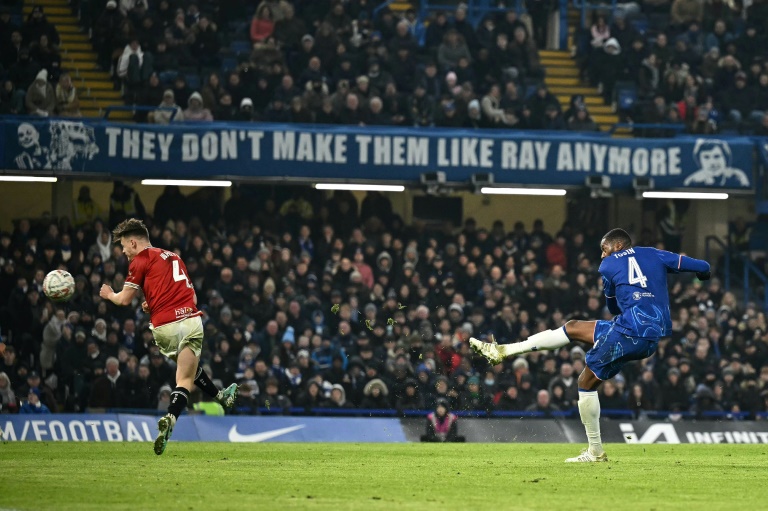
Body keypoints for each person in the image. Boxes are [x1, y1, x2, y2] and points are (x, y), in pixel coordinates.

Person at [471, 228, 710, 462]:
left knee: (585, 382)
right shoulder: (654, 253)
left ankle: (595, 451)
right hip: (647, 334)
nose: (602, 255)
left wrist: (617, 290)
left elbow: (614, 308)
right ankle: (504, 350)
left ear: (617, 246)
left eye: (604, 249)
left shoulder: (608, 265)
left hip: (630, 332)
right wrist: (702, 277)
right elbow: (703, 267)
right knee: (573, 327)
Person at [99, 218, 238, 455]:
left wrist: (109, 294)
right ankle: (176, 415)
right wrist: (152, 301)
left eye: (123, 246)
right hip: (191, 320)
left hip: (165, 327)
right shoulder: (175, 256)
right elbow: (191, 298)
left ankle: (213, 400)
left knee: (186, 374)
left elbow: (123, 300)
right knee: (185, 378)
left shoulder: (139, 261)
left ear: (133, 242)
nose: (123, 251)